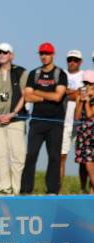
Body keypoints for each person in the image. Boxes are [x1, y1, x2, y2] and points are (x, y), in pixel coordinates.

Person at [22, 42, 68, 195]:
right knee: (31, 155)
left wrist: (38, 92)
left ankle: (52, 190)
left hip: (55, 122)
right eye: (42, 53)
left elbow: (58, 96)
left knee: (54, 157)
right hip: (37, 121)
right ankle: (26, 190)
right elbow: (27, 96)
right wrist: (43, 97)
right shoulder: (34, 74)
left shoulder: (60, 74)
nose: (44, 56)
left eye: (47, 53)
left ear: (53, 55)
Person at [0, 43, 28, 195]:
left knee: (17, 155)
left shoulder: (21, 72)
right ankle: (2, 188)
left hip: (16, 119)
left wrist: (13, 113)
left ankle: (16, 189)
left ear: (11, 55)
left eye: (5, 52)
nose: (1, 55)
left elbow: (25, 95)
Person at [61, 50, 86, 192]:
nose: (72, 62)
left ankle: (84, 190)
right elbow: (60, 93)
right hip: (63, 121)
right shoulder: (61, 74)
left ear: (80, 62)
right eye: (70, 59)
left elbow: (81, 95)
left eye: (75, 60)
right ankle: (58, 190)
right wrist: (74, 93)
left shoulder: (84, 76)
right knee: (61, 157)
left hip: (80, 122)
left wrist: (67, 92)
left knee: (83, 160)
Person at [74, 70, 94, 193]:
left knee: (90, 164)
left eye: (89, 83)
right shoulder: (79, 97)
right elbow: (76, 117)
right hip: (83, 135)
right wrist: (81, 101)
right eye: (85, 82)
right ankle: (84, 190)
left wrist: (87, 101)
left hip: (92, 134)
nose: (87, 86)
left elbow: (90, 114)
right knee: (83, 163)